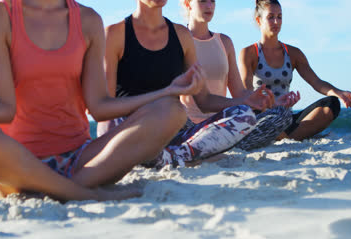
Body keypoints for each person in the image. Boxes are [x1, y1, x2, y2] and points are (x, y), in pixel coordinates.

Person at [0, 0, 207, 202]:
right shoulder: (0, 16)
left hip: (81, 161)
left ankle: (63, 188)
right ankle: (81, 194)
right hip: (19, 163)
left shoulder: (88, 20)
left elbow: (99, 107)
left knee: (172, 109)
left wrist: (165, 91)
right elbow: (4, 108)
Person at [99, 0, 275, 168]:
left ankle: (171, 156)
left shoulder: (181, 36)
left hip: (173, 130)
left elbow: (204, 100)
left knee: (244, 115)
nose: (209, 5)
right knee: (116, 123)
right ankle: (170, 156)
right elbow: (104, 107)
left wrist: (247, 101)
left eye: (212, 1)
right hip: (134, 129)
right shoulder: (115, 34)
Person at [180, 0, 300, 151]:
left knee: (283, 114)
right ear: (187, 3)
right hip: (188, 127)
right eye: (203, 1)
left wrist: (273, 102)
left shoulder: (224, 42)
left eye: (212, 1)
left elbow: (240, 93)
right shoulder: (179, 39)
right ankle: (207, 146)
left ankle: (216, 146)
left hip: (221, 125)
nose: (209, 6)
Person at [240, 0, 351, 141]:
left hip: (286, 119)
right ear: (259, 21)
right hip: (262, 116)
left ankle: (284, 137)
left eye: (279, 17)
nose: (276, 22)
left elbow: (316, 82)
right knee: (254, 113)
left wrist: (338, 92)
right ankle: (287, 136)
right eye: (271, 17)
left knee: (331, 104)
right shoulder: (249, 53)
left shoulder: (293, 53)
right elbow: (246, 91)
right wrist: (268, 104)